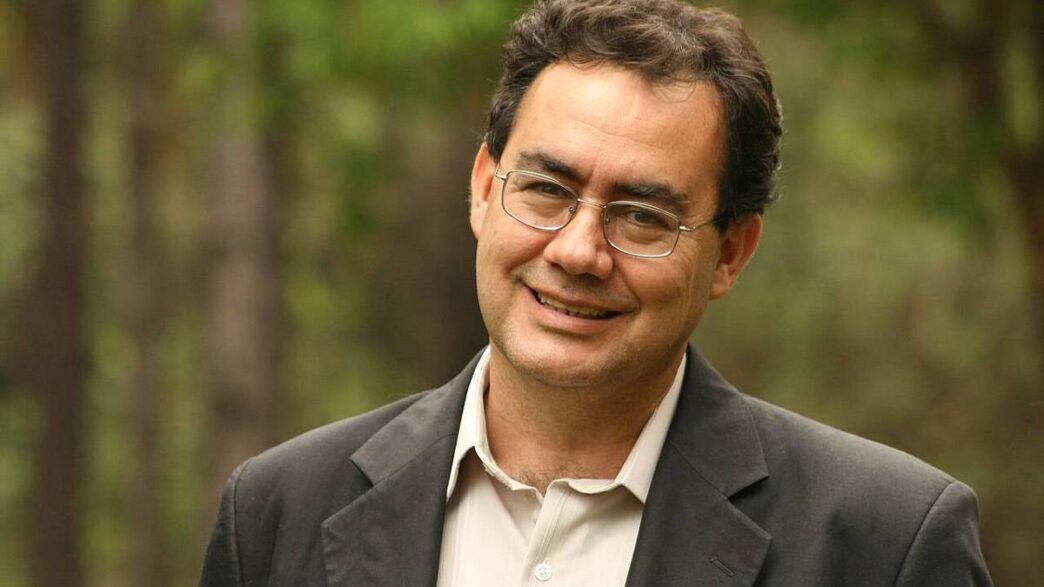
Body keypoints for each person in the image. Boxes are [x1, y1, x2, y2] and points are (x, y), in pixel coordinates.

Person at [199, 0, 993, 585]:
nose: (578, 251)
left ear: (730, 252)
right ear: (482, 187)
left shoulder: (886, 545)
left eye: (643, 216)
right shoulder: (277, 513)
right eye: (546, 189)